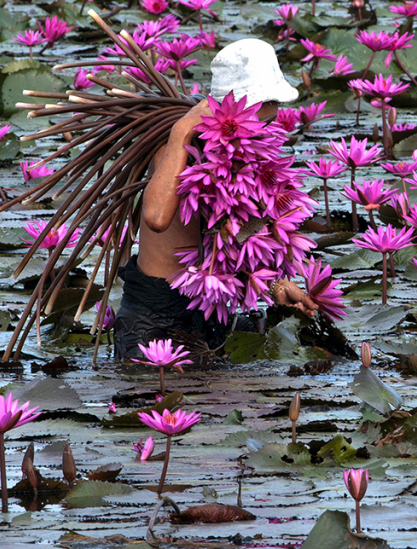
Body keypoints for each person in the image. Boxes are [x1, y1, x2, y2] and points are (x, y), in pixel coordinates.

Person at [113, 39, 313, 360]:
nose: (267, 129)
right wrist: (181, 132)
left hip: (210, 307)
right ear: (235, 108)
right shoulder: (177, 144)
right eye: (262, 118)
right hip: (156, 317)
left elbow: (233, 243)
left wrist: (275, 285)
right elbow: (156, 218)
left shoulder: (247, 155)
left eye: (272, 119)